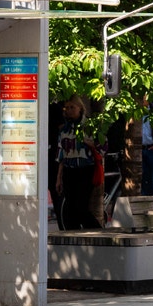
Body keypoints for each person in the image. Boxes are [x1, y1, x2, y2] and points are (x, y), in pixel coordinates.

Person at [51, 95, 100, 230]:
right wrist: (58, 178)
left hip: (86, 169)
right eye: (67, 108)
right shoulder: (64, 129)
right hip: (69, 170)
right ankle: (75, 238)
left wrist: (87, 142)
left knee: (81, 207)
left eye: (72, 107)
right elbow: (61, 155)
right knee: (69, 209)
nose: (69, 110)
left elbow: (103, 146)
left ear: (80, 108)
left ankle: (98, 232)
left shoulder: (89, 125)